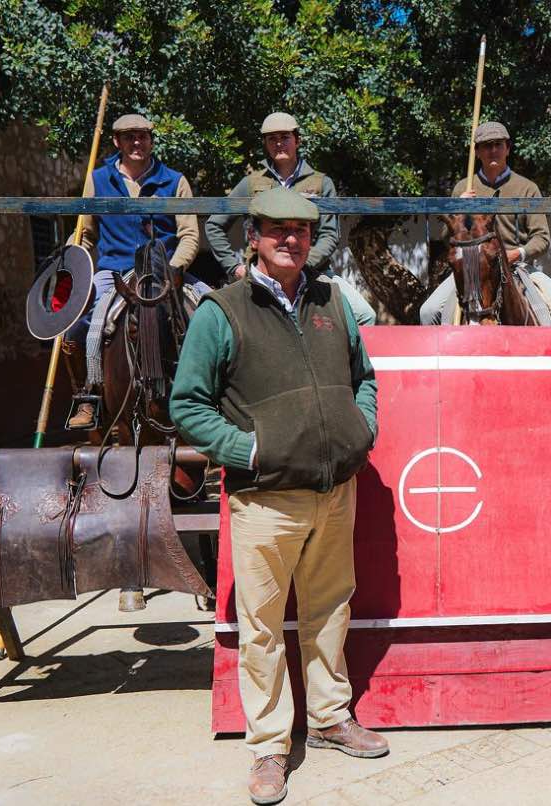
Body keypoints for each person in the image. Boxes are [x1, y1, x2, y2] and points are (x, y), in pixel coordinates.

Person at [172, 186, 386, 805]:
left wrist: (361, 427)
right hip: (265, 497)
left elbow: (363, 376)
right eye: (276, 230)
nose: (289, 239)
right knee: (262, 626)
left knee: (329, 610)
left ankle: (328, 718)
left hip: (333, 489)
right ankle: (268, 746)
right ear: (254, 237)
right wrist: (247, 452)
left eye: (300, 230)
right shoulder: (223, 310)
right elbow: (188, 403)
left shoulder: (334, 302)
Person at [64, 113, 208, 429]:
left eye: (142, 136)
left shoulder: (174, 180)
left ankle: (220, 397)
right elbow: (85, 234)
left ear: (151, 140)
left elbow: (190, 235)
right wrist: (73, 263)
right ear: (117, 141)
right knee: (82, 328)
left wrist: (172, 270)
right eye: (129, 137)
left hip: (165, 269)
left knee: (214, 316)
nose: (137, 143)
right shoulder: (98, 180)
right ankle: (89, 398)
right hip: (114, 270)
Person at [205, 112, 377, 326]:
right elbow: (214, 224)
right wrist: (234, 267)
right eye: (272, 139)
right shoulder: (251, 184)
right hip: (262, 273)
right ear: (265, 143)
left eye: (285, 137)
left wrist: (303, 264)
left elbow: (329, 235)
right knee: (220, 320)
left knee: (364, 316)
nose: (279, 144)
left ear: (297, 140)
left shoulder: (321, 183)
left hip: (313, 272)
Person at [420, 121, 551, 325]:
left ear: (507, 148)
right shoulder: (463, 188)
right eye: (486, 145)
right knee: (428, 312)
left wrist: (518, 253)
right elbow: (447, 239)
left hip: (517, 266)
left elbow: (541, 238)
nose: (493, 150)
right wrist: (458, 209)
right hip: (472, 268)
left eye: (498, 144)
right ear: (477, 151)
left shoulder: (527, 188)